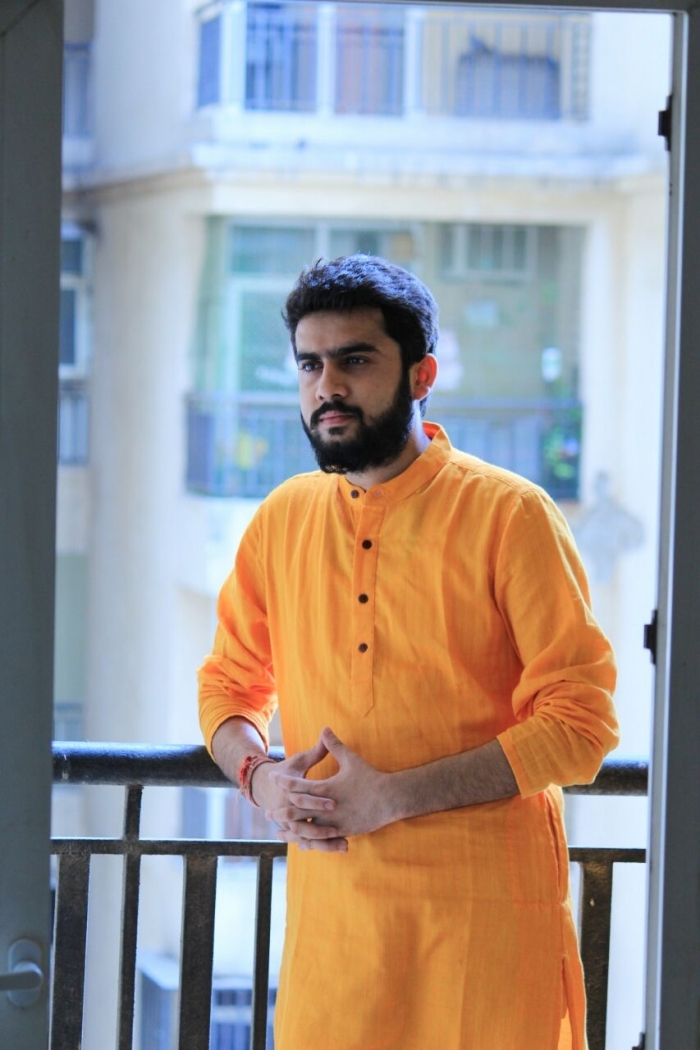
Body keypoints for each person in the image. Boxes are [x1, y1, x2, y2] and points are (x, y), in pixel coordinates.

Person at [198, 255, 619, 1050]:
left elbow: (581, 725)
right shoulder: (283, 519)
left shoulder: (511, 516)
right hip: (336, 944)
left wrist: (392, 797)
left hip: (485, 942)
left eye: (355, 360)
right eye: (310, 365)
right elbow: (228, 685)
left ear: (421, 374)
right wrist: (260, 778)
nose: (327, 386)